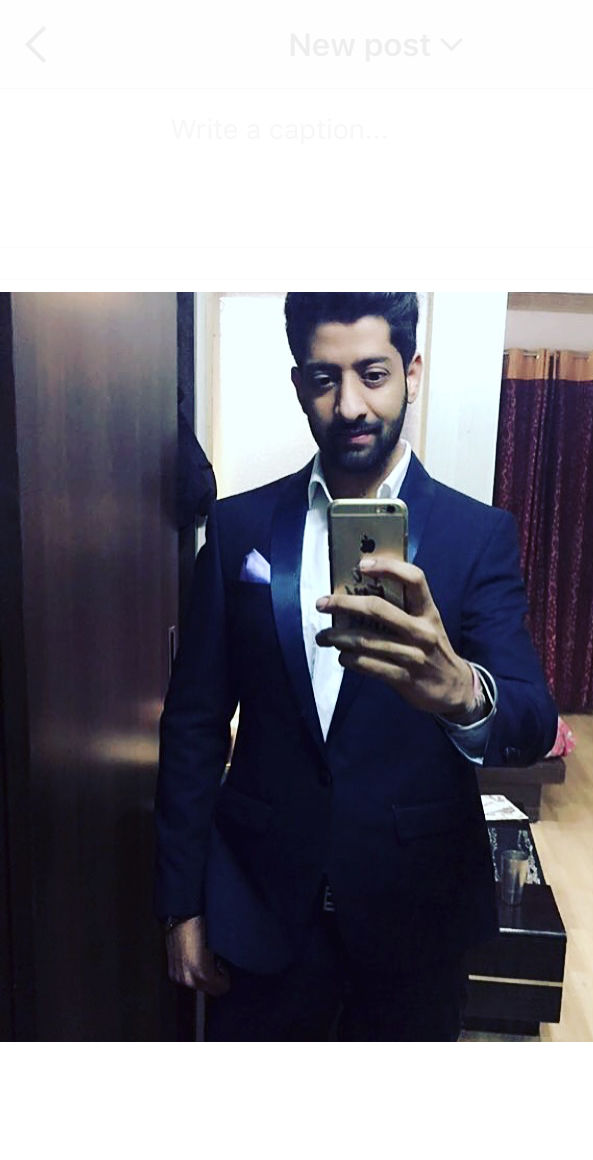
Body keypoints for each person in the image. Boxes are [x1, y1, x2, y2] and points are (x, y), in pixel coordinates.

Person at [154, 292, 557, 1040]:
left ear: (412, 372)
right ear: (298, 383)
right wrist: (182, 904)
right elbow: (193, 726)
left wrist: (461, 691)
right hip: (261, 908)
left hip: (415, 917)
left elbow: (532, 719)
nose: (349, 406)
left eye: (373, 374)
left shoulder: (479, 536)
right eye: (324, 378)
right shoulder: (240, 526)